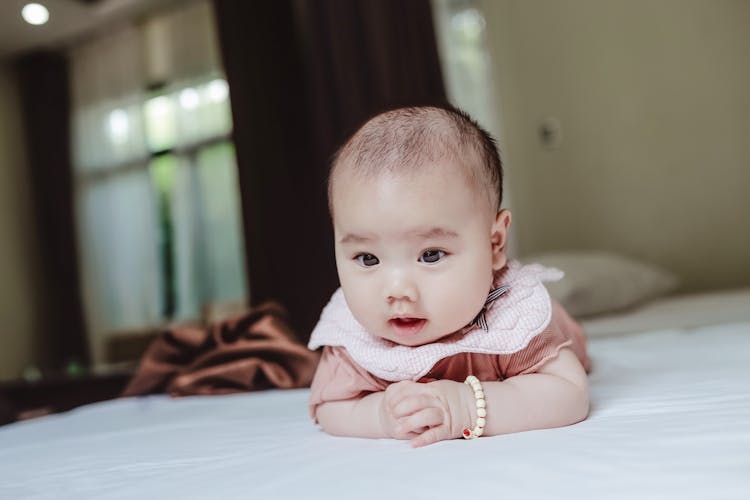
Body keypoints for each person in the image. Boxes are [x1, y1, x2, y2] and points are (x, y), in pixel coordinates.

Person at [307, 105, 590, 448]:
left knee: (566, 334)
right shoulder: (355, 336)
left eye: (430, 255)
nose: (397, 290)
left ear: (494, 243)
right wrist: (380, 415)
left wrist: (467, 407)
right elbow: (330, 406)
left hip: (555, 332)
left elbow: (568, 392)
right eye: (367, 258)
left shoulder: (512, 319)